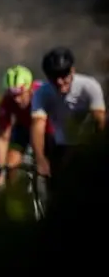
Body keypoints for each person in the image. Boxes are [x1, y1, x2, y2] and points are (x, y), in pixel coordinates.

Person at [30, 46, 106, 187]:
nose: (59, 81)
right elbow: (37, 126)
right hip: (62, 146)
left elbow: (99, 122)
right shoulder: (42, 93)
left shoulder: (89, 86)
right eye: (54, 77)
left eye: (64, 75)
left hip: (87, 146)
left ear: (72, 71)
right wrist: (40, 159)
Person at [0, 65, 54, 186]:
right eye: (13, 94)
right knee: (11, 162)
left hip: (48, 128)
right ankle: (12, 196)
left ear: (30, 88)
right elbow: (3, 138)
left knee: (50, 167)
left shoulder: (43, 93)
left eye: (20, 94)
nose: (16, 99)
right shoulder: (7, 100)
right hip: (24, 127)